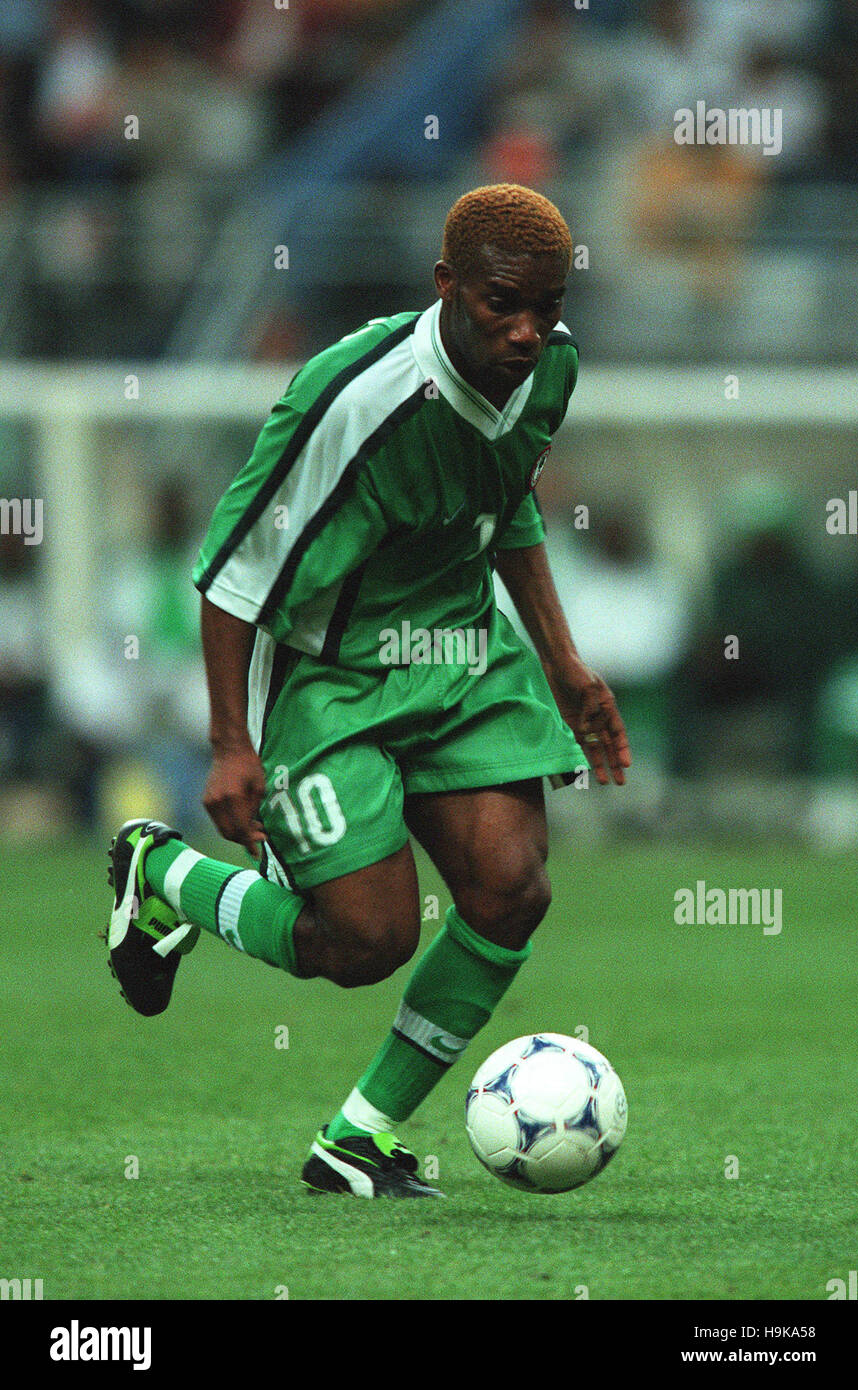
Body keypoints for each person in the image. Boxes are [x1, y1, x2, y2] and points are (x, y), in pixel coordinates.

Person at [104, 183, 630, 1198]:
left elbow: (502, 499)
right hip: (334, 677)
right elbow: (231, 569)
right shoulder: (353, 400)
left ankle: (357, 1135)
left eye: (548, 309)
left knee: (512, 884)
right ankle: (166, 877)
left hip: (464, 657)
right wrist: (228, 742)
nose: (527, 333)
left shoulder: (550, 371)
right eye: (500, 306)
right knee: (366, 941)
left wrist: (563, 663)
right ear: (445, 286)